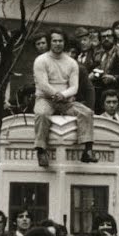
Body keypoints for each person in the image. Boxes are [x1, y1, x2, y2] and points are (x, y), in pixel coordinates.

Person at [31, 31, 96, 168]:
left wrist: (64, 95)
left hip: (65, 100)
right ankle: (41, 150)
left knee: (86, 112)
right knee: (41, 114)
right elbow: (43, 84)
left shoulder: (71, 63)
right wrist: (56, 94)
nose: (57, 44)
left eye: (60, 41)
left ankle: (88, 150)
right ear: (50, 42)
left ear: (64, 42)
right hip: (45, 98)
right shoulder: (41, 60)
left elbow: (74, 87)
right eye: (54, 41)